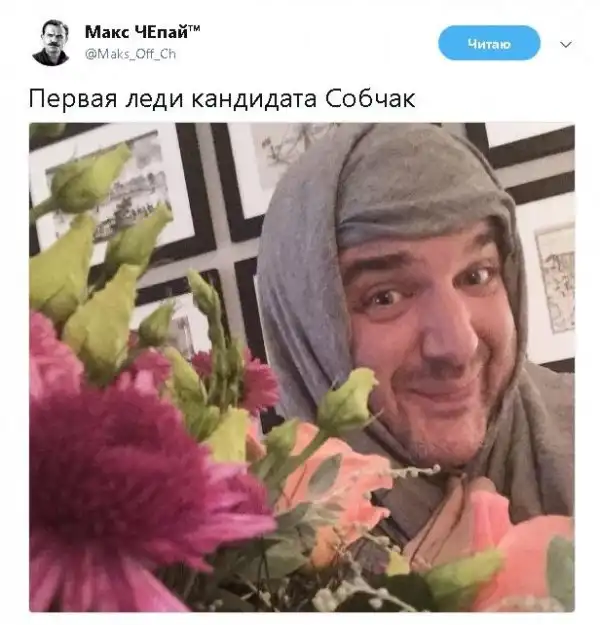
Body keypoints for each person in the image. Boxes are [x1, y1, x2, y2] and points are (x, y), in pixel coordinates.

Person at [255, 123, 573, 565]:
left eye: (477, 275)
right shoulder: (242, 562)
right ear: (307, 331)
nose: (458, 347)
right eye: (385, 297)